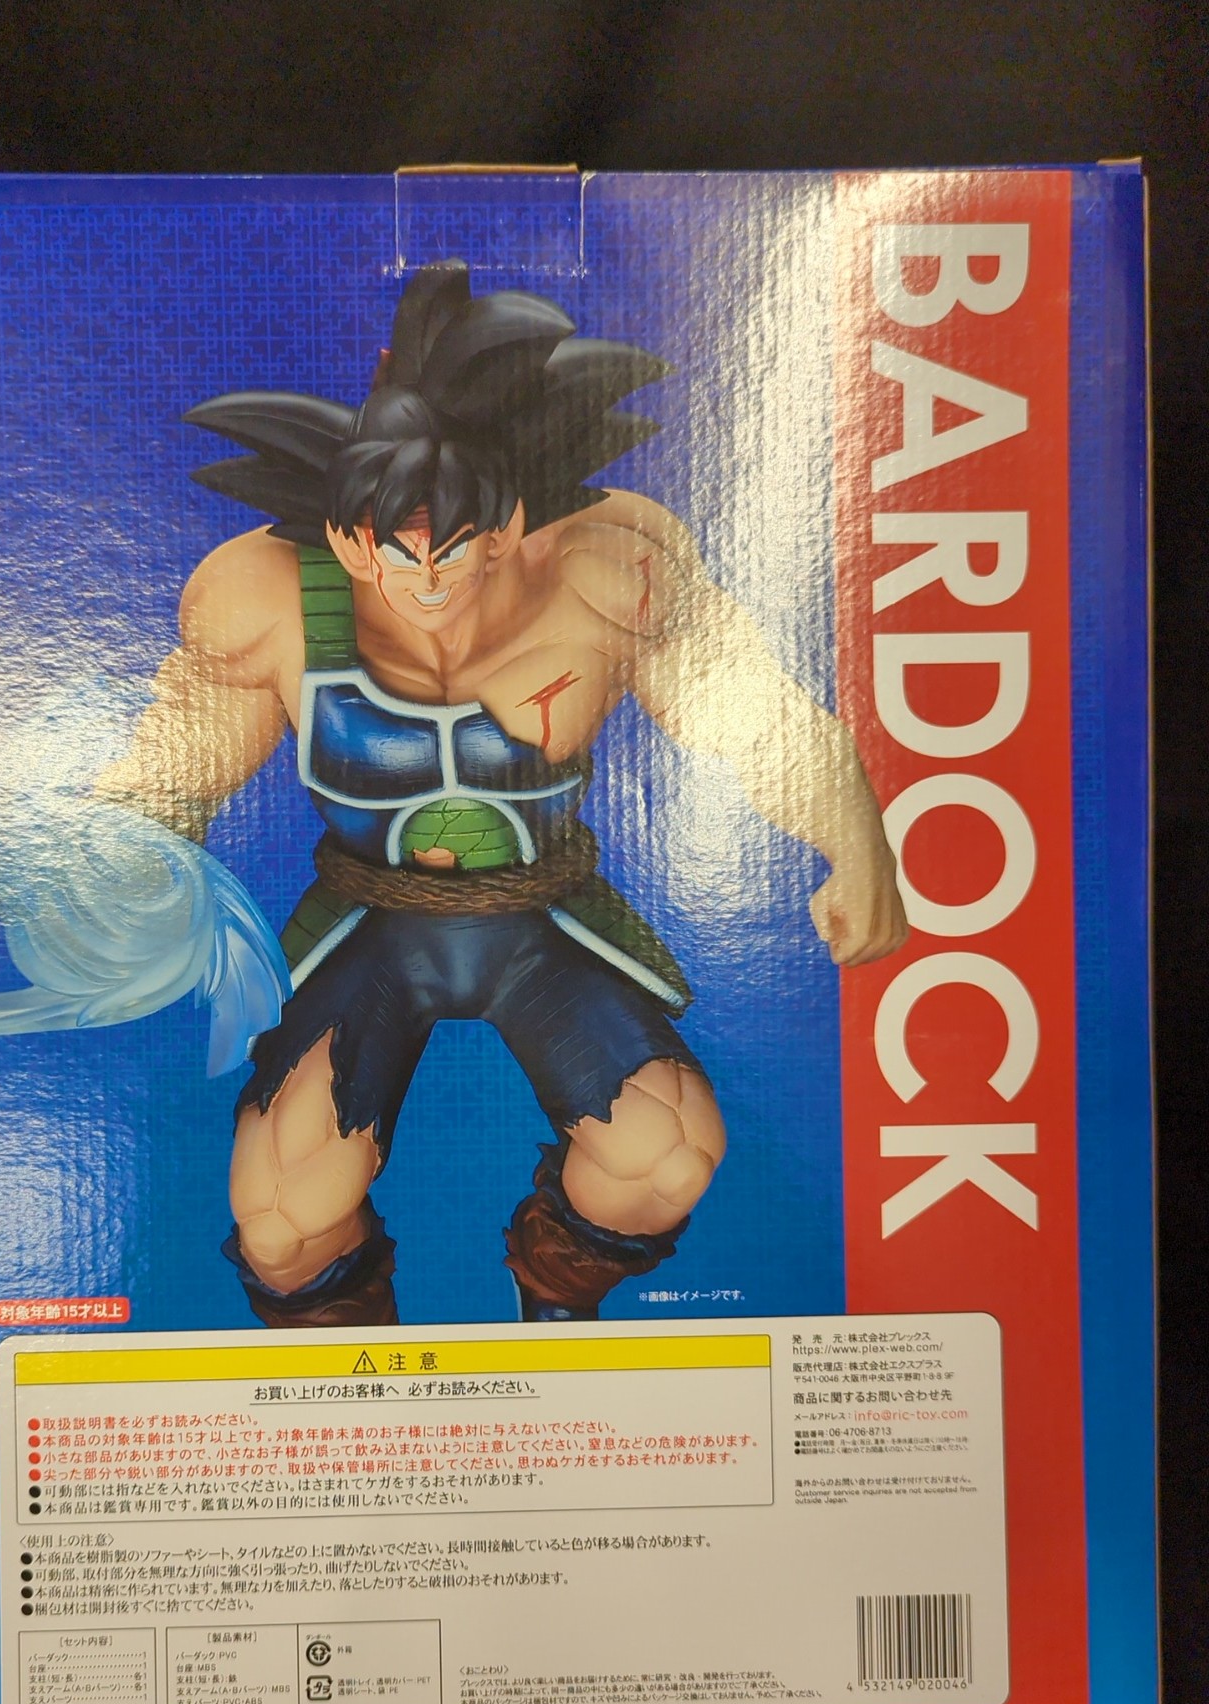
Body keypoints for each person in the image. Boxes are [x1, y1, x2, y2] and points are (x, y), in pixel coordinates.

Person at [85, 261, 908, 1329]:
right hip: (373, 929)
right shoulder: (270, 600)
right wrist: (116, 857)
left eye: (454, 545)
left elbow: (760, 721)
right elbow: (172, 770)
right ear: (344, 536)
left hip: (539, 922)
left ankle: (553, 1317)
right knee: (283, 1222)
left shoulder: (607, 577)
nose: (424, 580)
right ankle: (354, 1389)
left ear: (511, 523)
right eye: (392, 549)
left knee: (666, 1155)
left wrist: (855, 837)